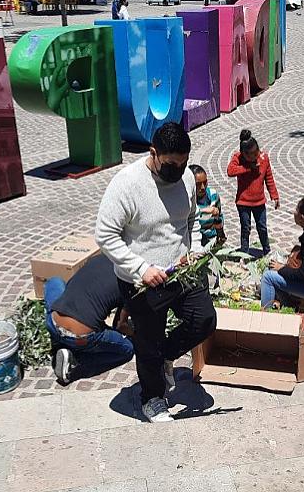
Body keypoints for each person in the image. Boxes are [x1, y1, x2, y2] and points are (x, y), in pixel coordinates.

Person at [96, 122, 217, 423]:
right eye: (171, 164)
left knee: (204, 320)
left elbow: (190, 220)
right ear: (153, 153)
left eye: (183, 163)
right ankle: (152, 398)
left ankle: (167, 355)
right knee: (147, 342)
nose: (178, 171)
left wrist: (197, 249)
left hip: (182, 272)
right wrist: (141, 268)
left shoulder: (187, 177)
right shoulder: (126, 184)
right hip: (142, 283)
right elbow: (105, 235)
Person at [44, 255, 135, 385]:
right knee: (127, 350)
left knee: (55, 282)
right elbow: (121, 326)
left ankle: (58, 342)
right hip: (81, 337)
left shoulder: (99, 258)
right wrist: (135, 334)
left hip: (53, 322)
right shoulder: (129, 282)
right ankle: (76, 361)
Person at [227, 130, 279, 256]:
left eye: (256, 153)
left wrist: (274, 195)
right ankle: (244, 253)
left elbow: (269, 178)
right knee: (245, 228)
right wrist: (247, 168)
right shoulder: (238, 158)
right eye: (250, 155)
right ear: (243, 154)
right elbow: (230, 171)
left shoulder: (264, 158)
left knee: (262, 227)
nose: (255, 157)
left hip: (259, 202)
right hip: (243, 202)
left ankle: (267, 251)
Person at [189, 165, 227, 249]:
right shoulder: (187, 201)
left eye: (205, 182)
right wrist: (202, 211)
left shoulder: (213, 195)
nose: (202, 187)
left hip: (212, 238)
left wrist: (220, 235)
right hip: (195, 240)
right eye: (198, 184)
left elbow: (219, 217)